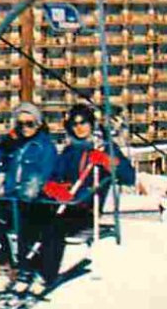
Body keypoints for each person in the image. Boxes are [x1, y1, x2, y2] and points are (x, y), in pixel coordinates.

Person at [42, 103, 134, 287]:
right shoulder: (70, 151)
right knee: (33, 217)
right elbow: (55, 175)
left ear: (91, 124)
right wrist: (53, 187)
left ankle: (47, 274)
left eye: (83, 122)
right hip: (66, 204)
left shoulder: (104, 147)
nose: (79, 127)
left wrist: (108, 162)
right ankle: (24, 267)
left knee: (55, 226)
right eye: (74, 124)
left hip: (86, 208)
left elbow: (129, 177)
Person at [0, 102, 58, 285]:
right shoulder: (15, 145)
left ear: (39, 124)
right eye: (21, 124)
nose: (25, 128)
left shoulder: (45, 147)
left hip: (35, 199)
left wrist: (29, 191)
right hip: (12, 197)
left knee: (21, 223)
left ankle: (22, 264)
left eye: (30, 124)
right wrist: (4, 147)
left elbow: (44, 174)